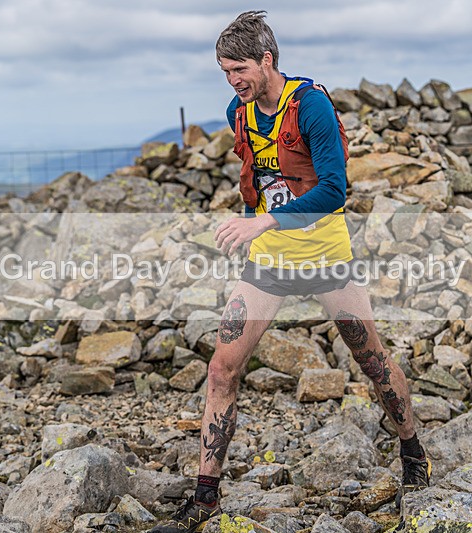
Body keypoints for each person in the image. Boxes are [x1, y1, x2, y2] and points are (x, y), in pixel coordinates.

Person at [149, 11, 430, 532]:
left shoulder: (312, 107)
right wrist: (259, 228)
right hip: (269, 263)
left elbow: (333, 190)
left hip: (325, 258)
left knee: (370, 359)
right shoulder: (240, 111)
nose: (233, 80)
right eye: (225, 71)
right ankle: (204, 497)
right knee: (222, 369)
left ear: (267, 59)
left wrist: (264, 221)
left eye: (239, 69)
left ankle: (413, 451)